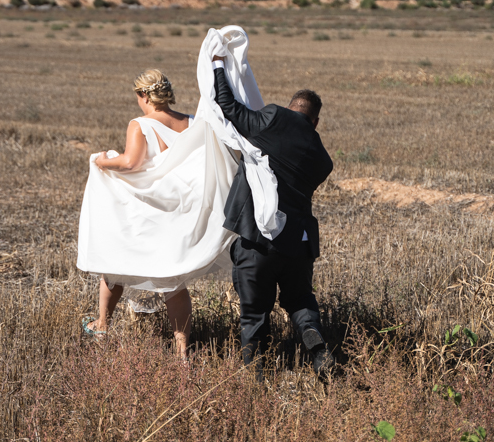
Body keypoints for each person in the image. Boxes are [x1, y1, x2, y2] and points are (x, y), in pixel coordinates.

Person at [77, 68, 237, 359]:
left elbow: (131, 163)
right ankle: (182, 352)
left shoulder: (139, 124)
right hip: (179, 211)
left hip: (148, 210)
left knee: (114, 263)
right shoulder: (191, 122)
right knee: (172, 280)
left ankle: (102, 326)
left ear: (142, 95)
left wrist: (102, 162)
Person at [211, 55, 335, 375]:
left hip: (258, 238)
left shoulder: (272, 118)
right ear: (316, 122)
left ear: (289, 107)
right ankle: (317, 346)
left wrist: (217, 66)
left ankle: (258, 378)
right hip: (299, 240)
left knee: (254, 313)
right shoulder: (323, 159)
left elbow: (228, 107)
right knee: (300, 300)